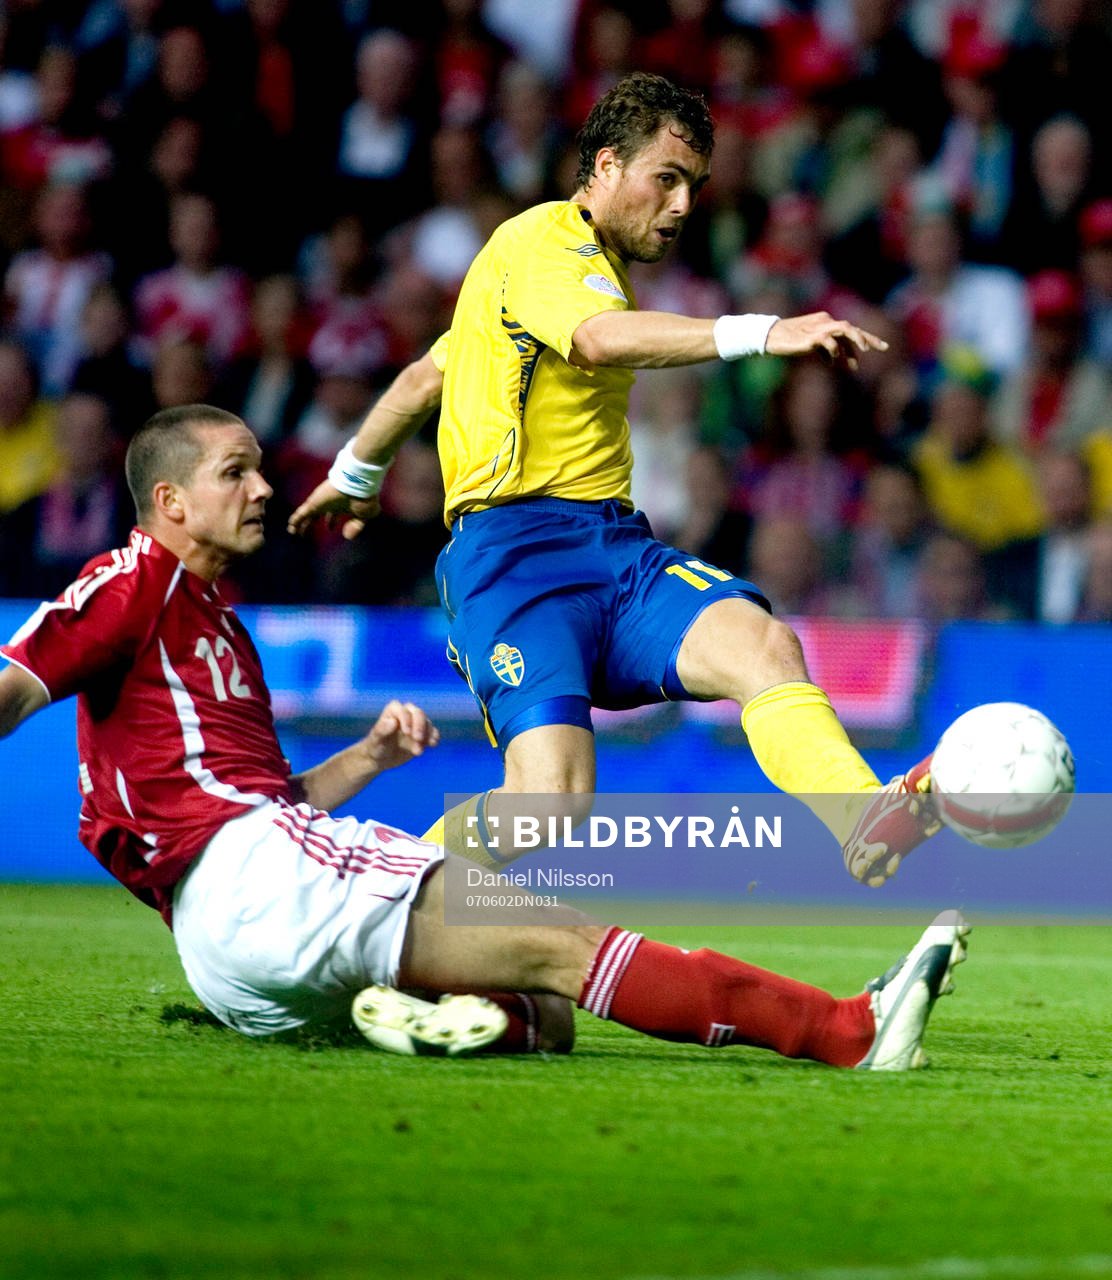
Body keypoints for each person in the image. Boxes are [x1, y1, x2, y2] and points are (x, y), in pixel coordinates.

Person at [0, 403, 969, 1070]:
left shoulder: (210, 624)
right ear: (169, 502)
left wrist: (370, 758)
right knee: (571, 946)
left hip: (234, 951)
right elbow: (14, 686)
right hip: (259, 883)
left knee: (545, 1015)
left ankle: (420, 1020)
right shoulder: (127, 582)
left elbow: (261, 800)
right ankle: (848, 1027)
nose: (260, 487)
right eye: (234, 471)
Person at [289, 72, 941, 888]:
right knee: (551, 798)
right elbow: (597, 341)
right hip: (513, 558)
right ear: (603, 167)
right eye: (665, 179)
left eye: (693, 187)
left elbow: (429, 376)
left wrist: (356, 470)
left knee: (764, 646)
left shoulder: (550, 277)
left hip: (614, 548)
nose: (681, 205)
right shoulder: (544, 243)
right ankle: (373, 907)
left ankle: (863, 817)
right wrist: (764, 331)